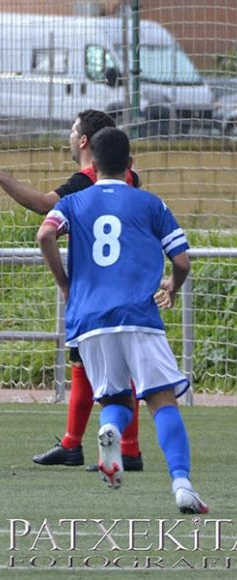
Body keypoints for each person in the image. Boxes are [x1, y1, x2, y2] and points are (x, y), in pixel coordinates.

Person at [36, 127, 207, 514]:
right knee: (161, 400)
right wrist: (174, 287)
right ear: (130, 164)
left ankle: (109, 430)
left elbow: (44, 235)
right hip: (138, 314)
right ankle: (182, 483)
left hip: (90, 318)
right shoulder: (149, 203)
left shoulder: (75, 202)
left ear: (92, 165)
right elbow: (181, 261)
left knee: (115, 397)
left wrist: (66, 284)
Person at [0, 109, 144, 472]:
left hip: (93, 291)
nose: (67, 135)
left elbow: (46, 211)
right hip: (127, 287)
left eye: (72, 130)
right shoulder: (130, 178)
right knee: (97, 365)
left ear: (84, 141)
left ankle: (122, 448)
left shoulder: (86, 182)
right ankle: (87, 445)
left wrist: (0, 176)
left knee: (103, 369)